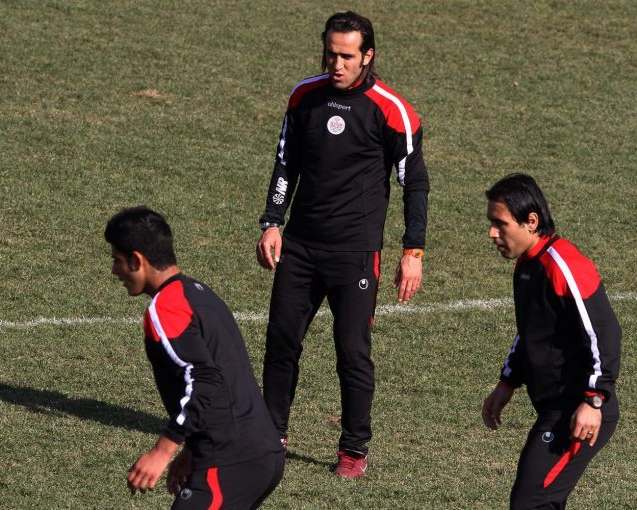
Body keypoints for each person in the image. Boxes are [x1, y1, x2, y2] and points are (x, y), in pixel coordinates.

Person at [255, 11, 430, 478]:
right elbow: (285, 163)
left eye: (347, 56)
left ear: (368, 55)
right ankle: (270, 436)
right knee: (281, 342)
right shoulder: (304, 97)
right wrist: (272, 222)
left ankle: (353, 449)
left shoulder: (391, 110)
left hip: (356, 253)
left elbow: (415, 184)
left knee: (352, 352)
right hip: (299, 247)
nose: (337, 64)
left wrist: (412, 251)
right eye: (331, 53)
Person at [105, 206, 284, 509]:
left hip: (231, 459)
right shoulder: (198, 293)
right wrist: (191, 449)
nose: (114, 271)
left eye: (116, 260)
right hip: (259, 451)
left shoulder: (167, 308)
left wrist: (162, 451)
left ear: (137, 260)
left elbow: (204, 380)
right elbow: (223, 376)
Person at [481, 174, 621, 509]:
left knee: (531, 501)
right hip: (557, 407)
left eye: (500, 224)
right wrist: (507, 382)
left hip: (578, 409)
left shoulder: (564, 265)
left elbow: (604, 333)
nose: (492, 233)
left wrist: (594, 399)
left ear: (531, 222)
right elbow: (532, 331)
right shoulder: (528, 264)